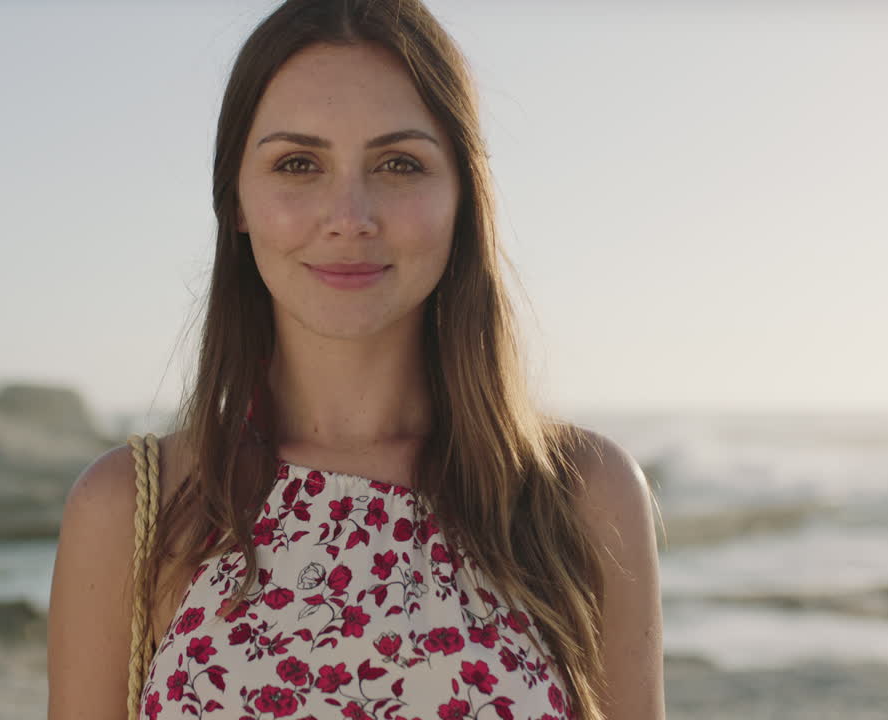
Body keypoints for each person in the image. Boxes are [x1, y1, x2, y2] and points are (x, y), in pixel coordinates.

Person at [47, 1, 663, 718]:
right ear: (236, 200)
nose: (349, 214)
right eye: (298, 163)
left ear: (463, 195)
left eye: (399, 163)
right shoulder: (134, 511)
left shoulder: (580, 496)